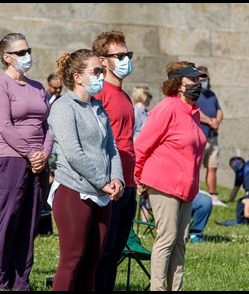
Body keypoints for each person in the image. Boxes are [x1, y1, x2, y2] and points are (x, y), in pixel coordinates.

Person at [47, 48, 125, 291]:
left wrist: (117, 179)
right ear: (78, 77)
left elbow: (111, 147)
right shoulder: (63, 107)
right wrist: (102, 181)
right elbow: (73, 153)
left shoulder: (98, 107)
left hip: (103, 194)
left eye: (102, 71)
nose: (102, 76)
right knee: (72, 260)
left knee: (93, 260)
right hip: (74, 191)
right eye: (96, 71)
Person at [0, 32, 53, 291]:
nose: (27, 56)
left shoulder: (38, 87)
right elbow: (4, 125)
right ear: (7, 57)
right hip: (10, 159)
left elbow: (48, 126)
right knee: (8, 221)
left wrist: (43, 153)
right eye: (21, 52)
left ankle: (20, 282)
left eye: (29, 50)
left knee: (29, 223)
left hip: (38, 161)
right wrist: (29, 153)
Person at [134, 61, 207, 291]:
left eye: (199, 80)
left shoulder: (194, 112)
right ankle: (157, 288)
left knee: (180, 243)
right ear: (179, 84)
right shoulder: (167, 107)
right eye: (193, 80)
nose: (198, 84)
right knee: (167, 238)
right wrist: (138, 178)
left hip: (186, 188)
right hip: (163, 183)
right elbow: (142, 145)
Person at [92, 30, 137, 292]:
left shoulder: (125, 95)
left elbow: (128, 139)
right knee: (103, 250)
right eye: (119, 55)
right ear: (103, 60)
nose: (125, 59)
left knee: (116, 250)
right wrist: (107, 178)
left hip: (129, 181)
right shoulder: (102, 93)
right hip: (112, 181)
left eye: (127, 54)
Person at [195, 65, 225, 206]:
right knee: (196, 166)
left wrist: (217, 121)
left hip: (213, 137)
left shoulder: (212, 95)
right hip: (200, 136)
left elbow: (219, 111)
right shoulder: (194, 94)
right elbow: (195, 111)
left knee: (212, 166)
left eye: (206, 77)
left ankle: (213, 195)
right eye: (201, 77)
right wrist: (209, 121)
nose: (204, 80)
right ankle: (196, 192)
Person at [131, 85, 153, 222]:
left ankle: (144, 217)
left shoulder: (146, 113)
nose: (151, 99)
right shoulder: (136, 112)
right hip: (136, 153)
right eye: (149, 96)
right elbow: (132, 132)